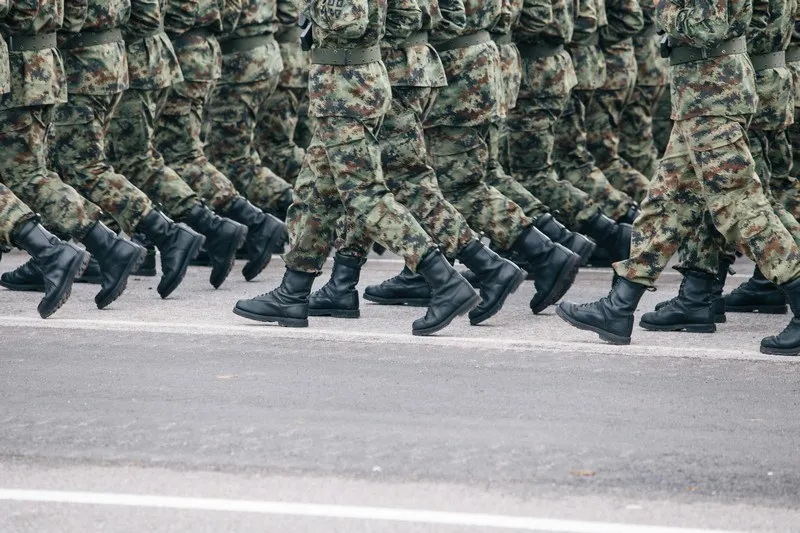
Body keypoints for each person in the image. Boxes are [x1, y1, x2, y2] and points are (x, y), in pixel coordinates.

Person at [556, 0, 800, 356]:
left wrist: (664, 12)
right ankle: (619, 307)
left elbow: (710, 25)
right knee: (666, 200)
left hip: (713, 90)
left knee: (738, 204)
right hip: (701, 91)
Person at [233, 0, 480, 336]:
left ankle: (444, 279)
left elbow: (348, 20)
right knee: (314, 191)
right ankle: (293, 291)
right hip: (354, 79)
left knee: (364, 195)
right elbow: (405, 14)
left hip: (344, 85)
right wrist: (369, 47)